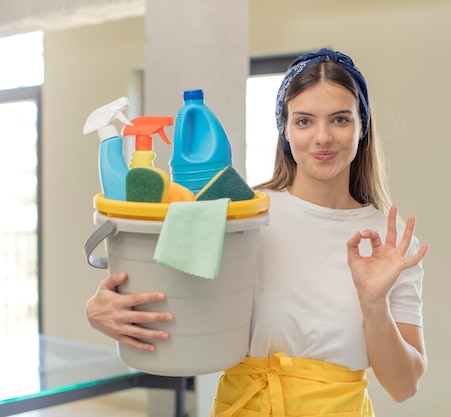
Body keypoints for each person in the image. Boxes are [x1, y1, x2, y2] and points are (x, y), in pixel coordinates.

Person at [86, 48, 429, 417]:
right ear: (284, 129)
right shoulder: (241, 216)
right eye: (304, 121)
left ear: (363, 127)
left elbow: (403, 386)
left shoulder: (387, 244)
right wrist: (99, 309)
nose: (323, 137)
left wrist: (374, 304)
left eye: (341, 119)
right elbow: (168, 290)